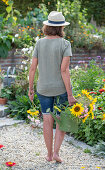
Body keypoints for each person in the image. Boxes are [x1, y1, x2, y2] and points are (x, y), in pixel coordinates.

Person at [28, 11, 76, 163]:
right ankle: (56, 153)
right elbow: (64, 70)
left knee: (47, 120)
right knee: (61, 120)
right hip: (60, 89)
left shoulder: (39, 43)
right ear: (61, 27)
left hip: (43, 88)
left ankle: (48, 155)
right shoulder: (65, 44)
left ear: (47, 26)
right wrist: (70, 94)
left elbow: (32, 68)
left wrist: (30, 89)